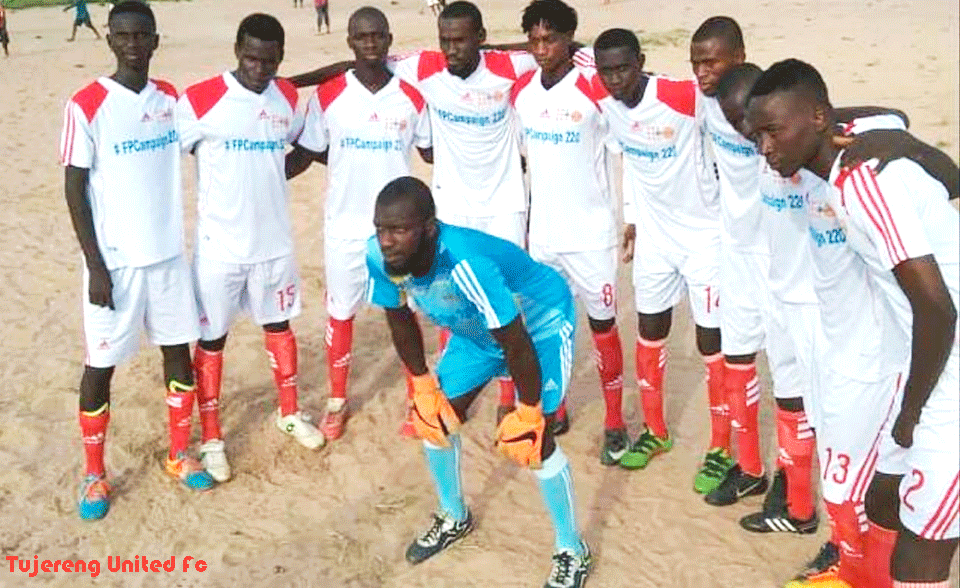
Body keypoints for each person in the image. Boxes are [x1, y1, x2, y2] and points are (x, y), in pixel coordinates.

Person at [291, 1, 593, 433]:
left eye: (461, 40)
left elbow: (562, 48)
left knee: (507, 303)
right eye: (445, 41)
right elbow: (360, 62)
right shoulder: (424, 67)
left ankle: (508, 399)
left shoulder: (511, 64)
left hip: (504, 204)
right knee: (449, 299)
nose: (451, 49)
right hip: (451, 204)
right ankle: (454, 389)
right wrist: (289, 82)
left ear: (481, 39)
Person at [747, 58, 959, 588]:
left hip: (949, 380)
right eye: (758, 135)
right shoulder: (847, 176)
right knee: (883, 499)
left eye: (774, 131)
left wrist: (909, 414)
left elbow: (938, 309)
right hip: (929, 367)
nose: (765, 148)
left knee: (920, 556)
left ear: (819, 118)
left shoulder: (861, 183)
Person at [368, 176, 591, 588]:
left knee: (536, 440)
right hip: (477, 331)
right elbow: (398, 316)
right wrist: (421, 383)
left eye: (399, 230)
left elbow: (515, 340)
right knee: (433, 418)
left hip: (538, 325)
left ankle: (571, 550)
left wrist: (529, 411)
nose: (386, 241)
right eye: (381, 228)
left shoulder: (466, 262)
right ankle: (454, 516)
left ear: (429, 229)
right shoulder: (380, 256)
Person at [60, 0, 214, 521]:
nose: (132, 44)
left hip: (167, 257)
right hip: (116, 265)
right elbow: (74, 188)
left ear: (155, 40)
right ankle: (94, 474)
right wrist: (96, 266)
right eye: (123, 35)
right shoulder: (86, 104)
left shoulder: (170, 98)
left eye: (141, 35)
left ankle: (179, 454)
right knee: (100, 367)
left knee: (178, 353)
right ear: (109, 39)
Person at [178, 13, 325, 483]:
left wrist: (272, 174)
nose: (259, 69)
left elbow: (304, 147)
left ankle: (289, 412)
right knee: (212, 340)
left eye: (269, 60)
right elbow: (165, 157)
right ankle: (212, 437)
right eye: (250, 58)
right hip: (219, 248)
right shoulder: (200, 99)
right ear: (237, 51)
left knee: (279, 326)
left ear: (281, 57)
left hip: (274, 245)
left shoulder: (287, 97)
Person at [285, 7, 432, 440]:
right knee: (340, 314)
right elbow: (307, 152)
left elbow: (430, 152)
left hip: (398, 233)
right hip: (345, 228)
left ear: (389, 39)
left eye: (377, 36)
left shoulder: (411, 97)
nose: (370, 43)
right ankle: (337, 401)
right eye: (361, 36)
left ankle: (419, 399)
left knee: (402, 311)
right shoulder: (329, 95)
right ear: (350, 42)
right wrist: (259, 170)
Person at [591, 29, 725, 472]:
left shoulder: (681, 96)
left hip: (704, 238)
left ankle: (721, 447)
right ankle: (656, 431)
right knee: (649, 331)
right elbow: (628, 160)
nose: (615, 79)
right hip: (654, 239)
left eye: (623, 69)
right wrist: (631, 217)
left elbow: (746, 96)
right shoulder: (603, 99)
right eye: (607, 70)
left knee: (711, 341)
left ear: (641, 63)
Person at [511, 0, 626, 465]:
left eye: (552, 39)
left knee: (603, 328)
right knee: (547, 328)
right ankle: (554, 407)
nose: (542, 49)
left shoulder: (595, 88)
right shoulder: (523, 94)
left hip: (592, 236)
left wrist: (632, 217)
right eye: (535, 40)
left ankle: (614, 422)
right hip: (544, 236)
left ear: (569, 39)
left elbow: (623, 149)